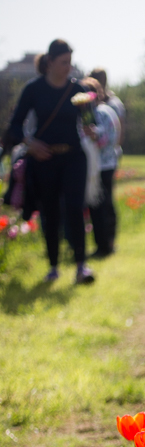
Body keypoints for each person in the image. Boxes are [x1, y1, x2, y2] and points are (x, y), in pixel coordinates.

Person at [2, 39, 94, 283]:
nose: (68, 67)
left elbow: (88, 122)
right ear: (50, 62)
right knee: (50, 212)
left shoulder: (77, 90)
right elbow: (14, 126)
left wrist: (91, 128)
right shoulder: (34, 89)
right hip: (44, 159)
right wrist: (30, 144)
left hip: (73, 157)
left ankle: (81, 266)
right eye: (64, 62)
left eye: (70, 63)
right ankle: (53, 266)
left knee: (75, 209)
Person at [83, 77, 120, 257]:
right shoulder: (84, 115)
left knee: (105, 205)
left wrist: (95, 135)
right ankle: (100, 245)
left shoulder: (104, 113)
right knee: (95, 206)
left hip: (105, 165)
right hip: (91, 168)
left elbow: (111, 139)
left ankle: (108, 244)